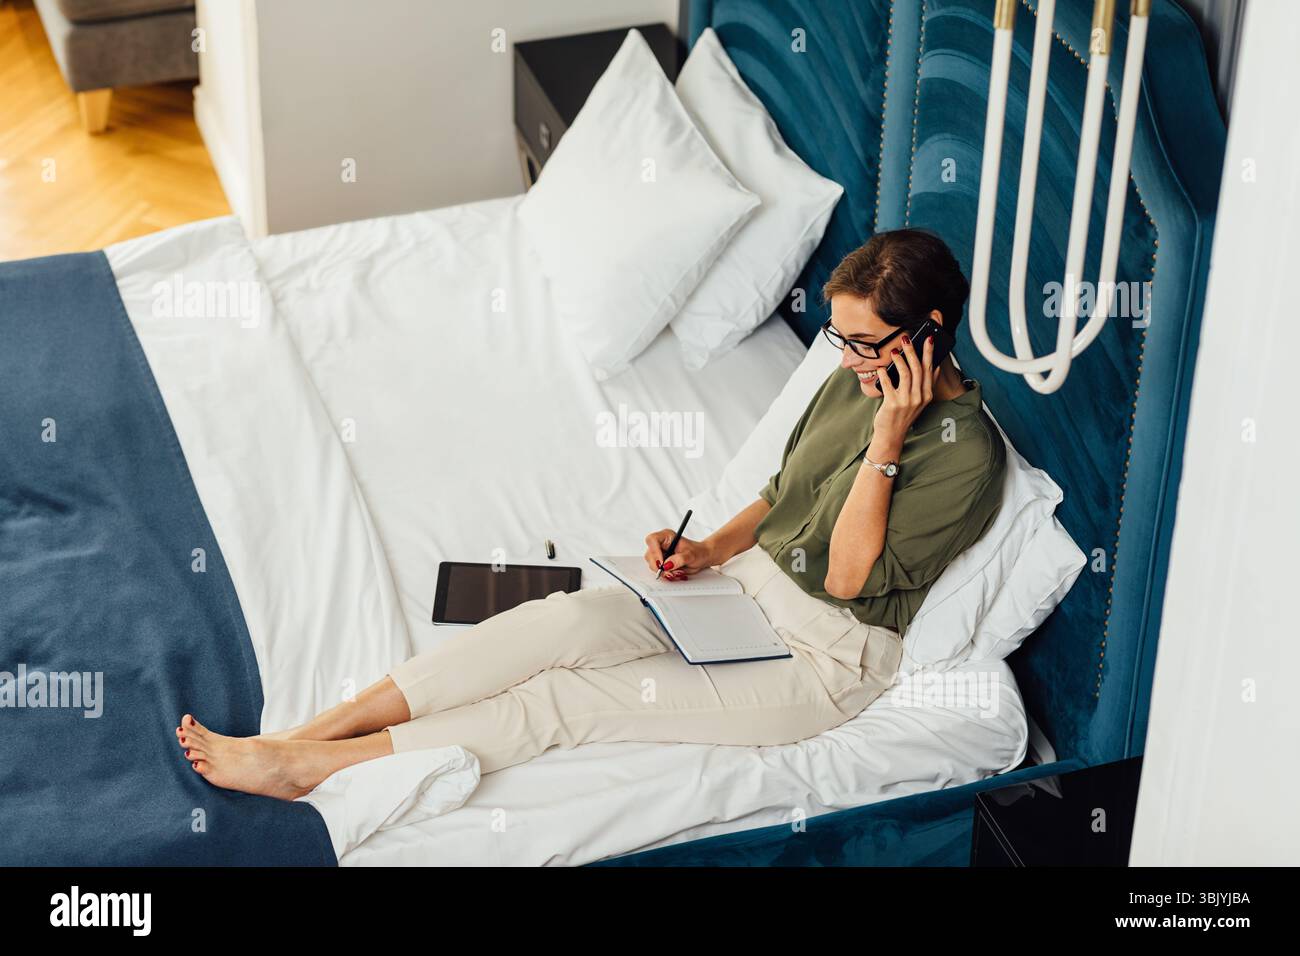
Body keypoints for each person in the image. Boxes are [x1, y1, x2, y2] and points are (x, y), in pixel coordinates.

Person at [175, 228, 1007, 800]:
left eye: (864, 343)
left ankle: (313, 769)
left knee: (565, 704)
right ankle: (311, 730)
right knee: (553, 626)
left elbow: (845, 573)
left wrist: (888, 439)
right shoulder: (851, 377)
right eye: (840, 339)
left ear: (926, 334)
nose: (850, 359)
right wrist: (707, 548)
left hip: (823, 657)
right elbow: (781, 498)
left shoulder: (965, 455)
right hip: (744, 592)